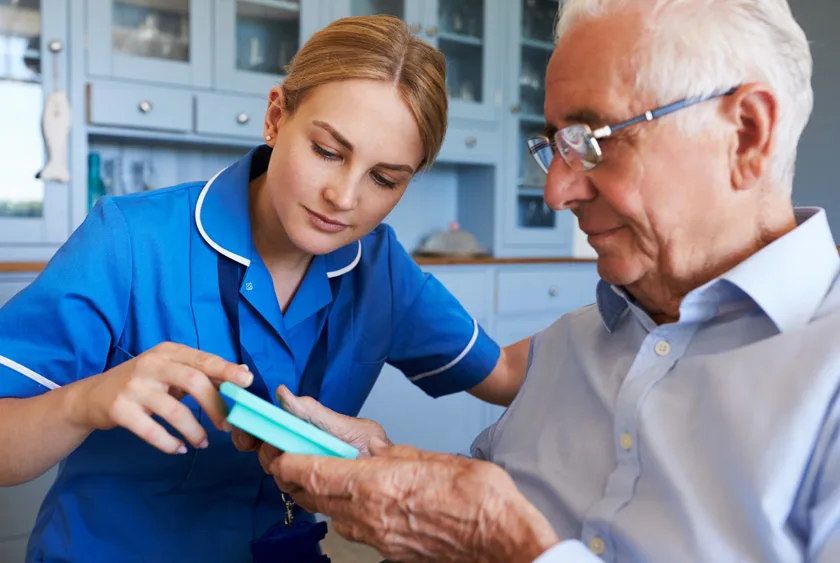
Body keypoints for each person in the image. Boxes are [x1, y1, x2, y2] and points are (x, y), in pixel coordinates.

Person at [266, 0, 840, 561]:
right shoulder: (569, 346)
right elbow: (484, 507)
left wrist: (513, 549)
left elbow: (499, 529)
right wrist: (390, 471)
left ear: (746, 133)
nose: (555, 192)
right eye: (558, 146)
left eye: (593, 140)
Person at [0, 15, 532, 563]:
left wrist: (625, 296)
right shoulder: (130, 240)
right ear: (276, 117)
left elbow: (508, 375)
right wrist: (84, 401)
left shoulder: (382, 268)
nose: (344, 197)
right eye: (328, 151)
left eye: (384, 179)